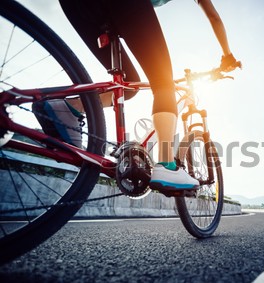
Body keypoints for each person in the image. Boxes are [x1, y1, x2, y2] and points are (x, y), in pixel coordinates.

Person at [45, 0, 240, 192]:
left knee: (128, 86)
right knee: (163, 82)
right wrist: (228, 56)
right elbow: (213, 17)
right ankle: (167, 165)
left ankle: (68, 107)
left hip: (76, 6)